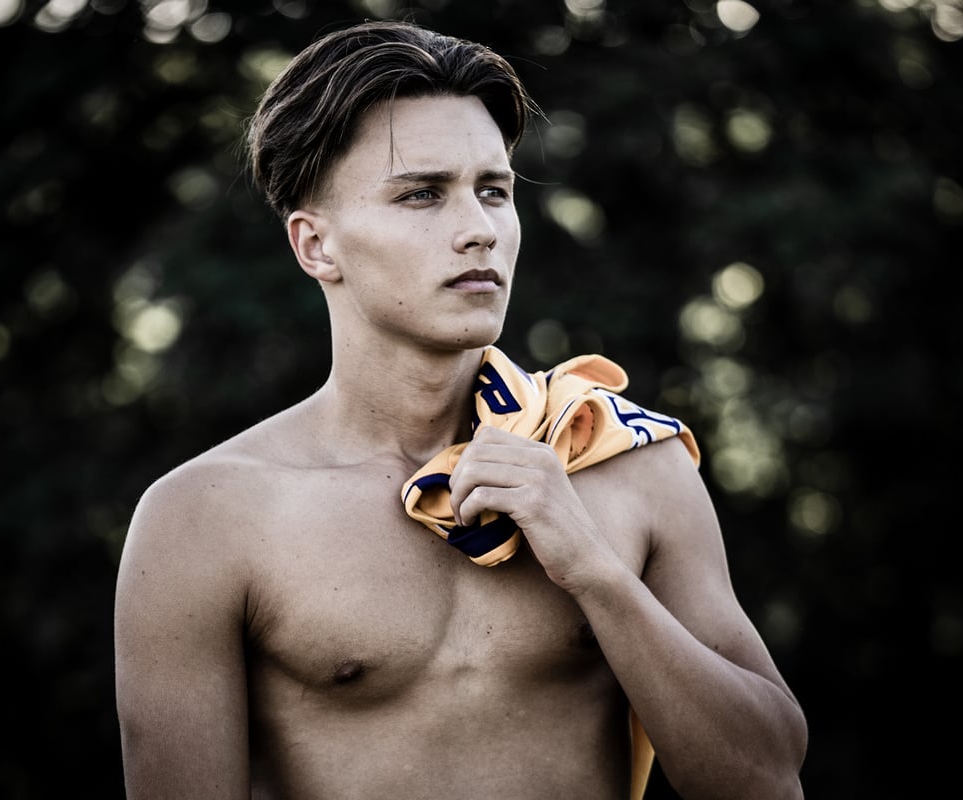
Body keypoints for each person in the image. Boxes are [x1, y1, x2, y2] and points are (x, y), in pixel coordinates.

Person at [113, 18, 807, 800]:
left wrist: (595, 573)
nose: (479, 230)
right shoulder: (204, 519)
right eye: (422, 195)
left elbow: (768, 783)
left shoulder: (625, 462)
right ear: (315, 246)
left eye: (494, 192)